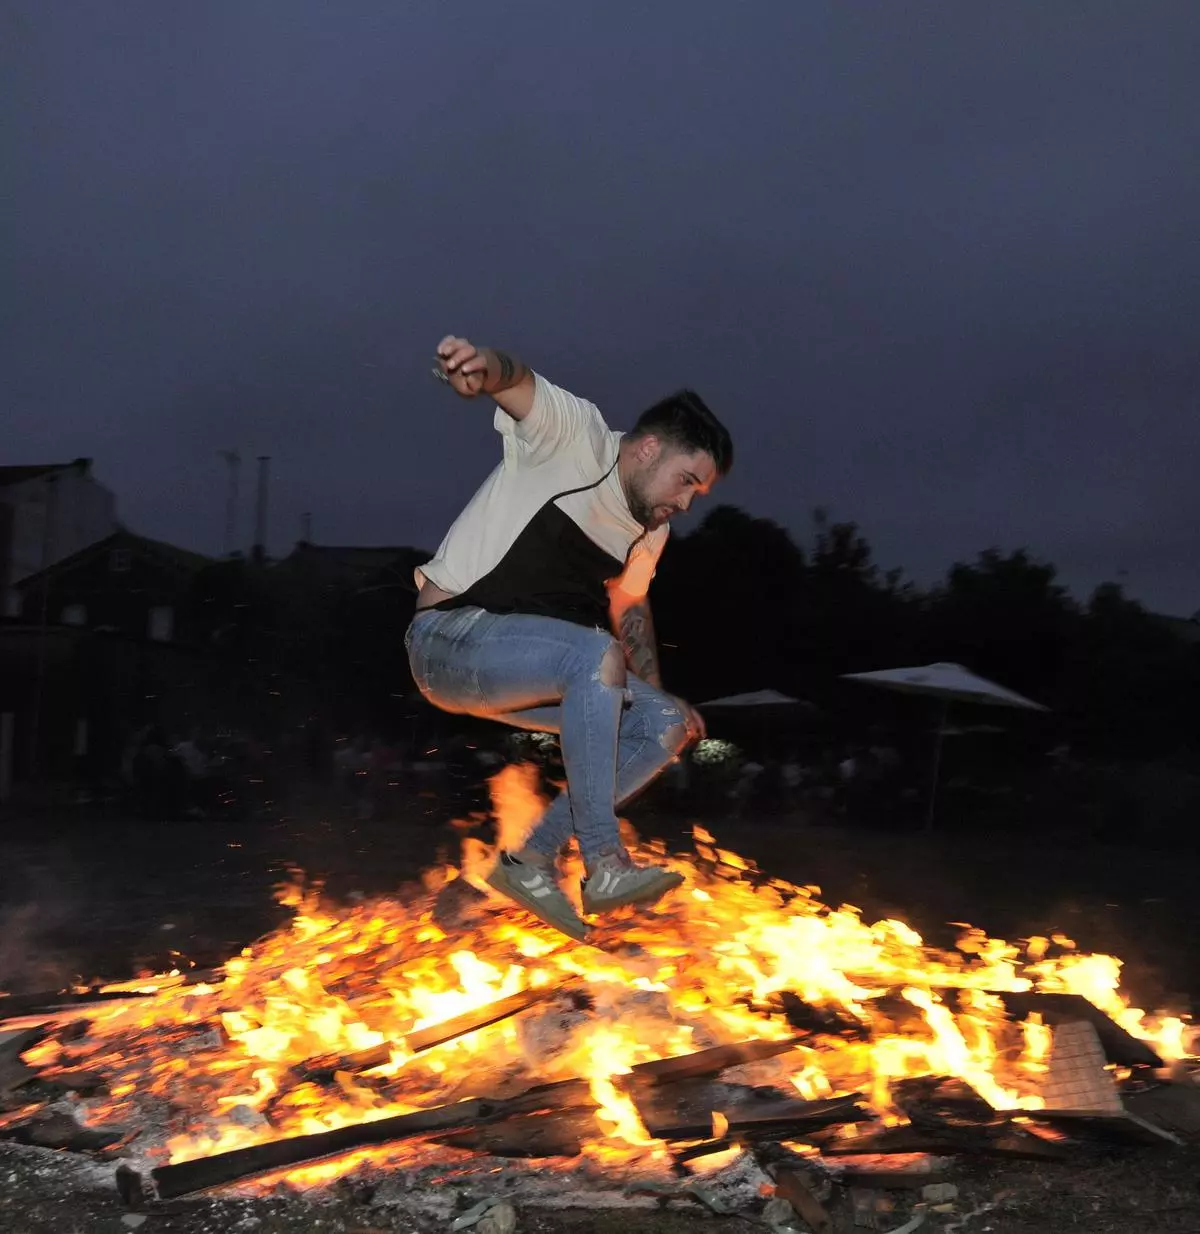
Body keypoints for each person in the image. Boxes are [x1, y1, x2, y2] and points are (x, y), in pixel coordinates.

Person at [406, 335, 733, 941]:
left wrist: (655, 701)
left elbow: (629, 604)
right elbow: (519, 384)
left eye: (697, 494)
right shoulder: (576, 438)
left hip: (528, 671)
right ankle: (605, 865)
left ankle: (532, 860)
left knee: (667, 724)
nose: (685, 503)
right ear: (650, 447)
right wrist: (484, 368)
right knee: (594, 654)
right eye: (685, 481)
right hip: (447, 640)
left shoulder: (647, 533)